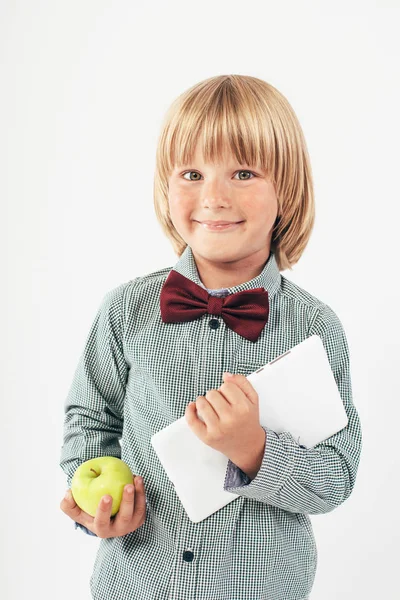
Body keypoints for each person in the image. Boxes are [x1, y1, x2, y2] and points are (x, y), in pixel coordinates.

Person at [59, 74, 362, 600]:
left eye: (243, 172)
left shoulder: (316, 329)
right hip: (137, 584)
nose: (214, 197)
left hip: (263, 588)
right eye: (192, 173)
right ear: (166, 187)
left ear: (285, 190)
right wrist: (98, 509)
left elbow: (336, 476)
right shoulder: (126, 311)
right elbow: (90, 422)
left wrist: (255, 449)